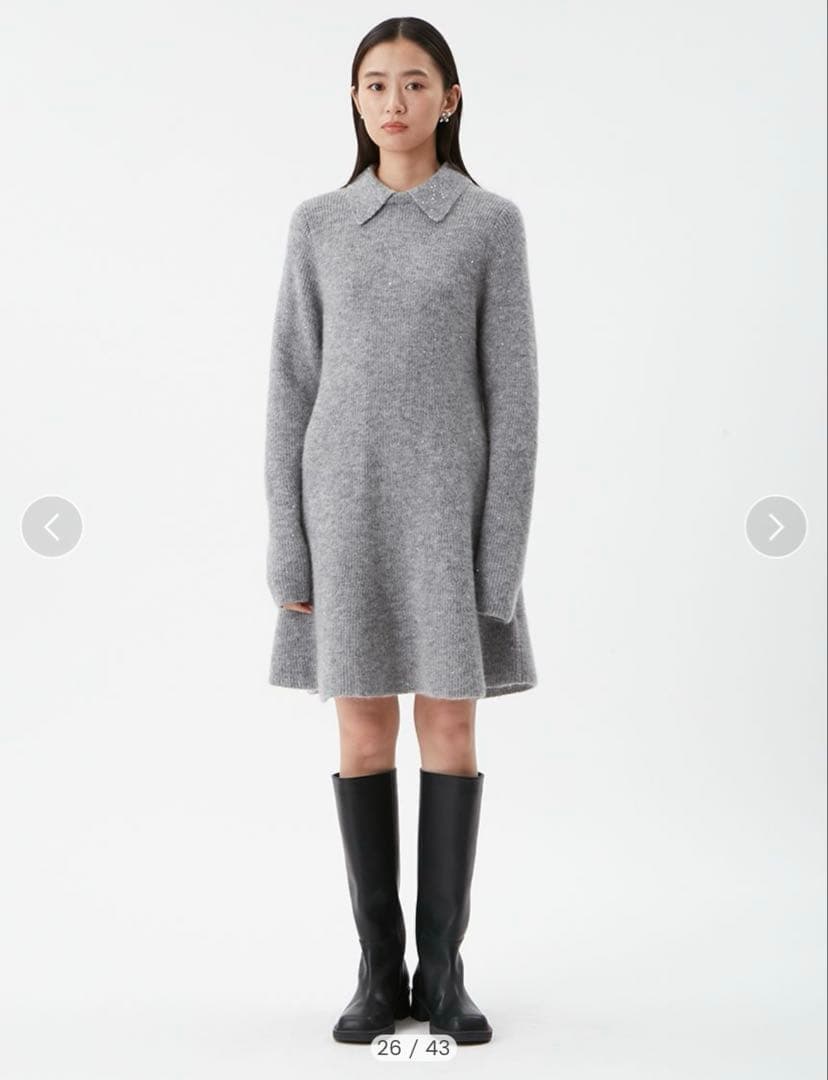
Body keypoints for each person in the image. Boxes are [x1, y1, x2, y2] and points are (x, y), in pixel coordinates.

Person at [264, 17, 539, 1046]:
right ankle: (380, 973)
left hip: (447, 518)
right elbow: (291, 388)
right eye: (375, 83)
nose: (394, 101)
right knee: (362, 731)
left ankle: (446, 970)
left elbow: (515, 399)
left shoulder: (488, 225)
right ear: (354, 99)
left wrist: (499, 552)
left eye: (415, 83)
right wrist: (287, 542)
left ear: (450, 99)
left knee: (453, 731)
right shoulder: (320, 225)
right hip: (342, 511)